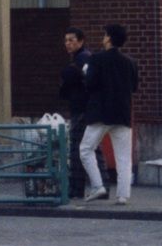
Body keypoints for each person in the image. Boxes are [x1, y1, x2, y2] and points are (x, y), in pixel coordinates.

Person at [78, 22, 140, 204]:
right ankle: (123, 195)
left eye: (105, 35)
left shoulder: (96, 59)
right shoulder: (131, 62)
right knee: (124, 157)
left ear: (109, 38)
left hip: (100, 112)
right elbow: (134, 87)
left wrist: (85, 73)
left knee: (85, 149)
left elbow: (89, 83)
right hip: (122, 112)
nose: (103, 38)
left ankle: (98, 186)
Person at [58, 27, 92, 199]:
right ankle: (101, 185)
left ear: (81, 41)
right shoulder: (81, 58)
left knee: (77, 149)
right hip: (84, 108)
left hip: (81, 109)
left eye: (71, 40)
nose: (68, 44)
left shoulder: (82, 58)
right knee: (92, 150)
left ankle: (76, 188)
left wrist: (67, 74)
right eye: (66, 40)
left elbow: (69, 76)